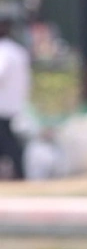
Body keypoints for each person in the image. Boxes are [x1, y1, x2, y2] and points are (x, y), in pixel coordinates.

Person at [0, 19, 31, 180]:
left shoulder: (4, 51)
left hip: (3, 106)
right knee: (8, 141)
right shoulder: (18, 50)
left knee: (8, 142)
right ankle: (19, 171)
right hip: (14, 103)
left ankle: (20, 172)